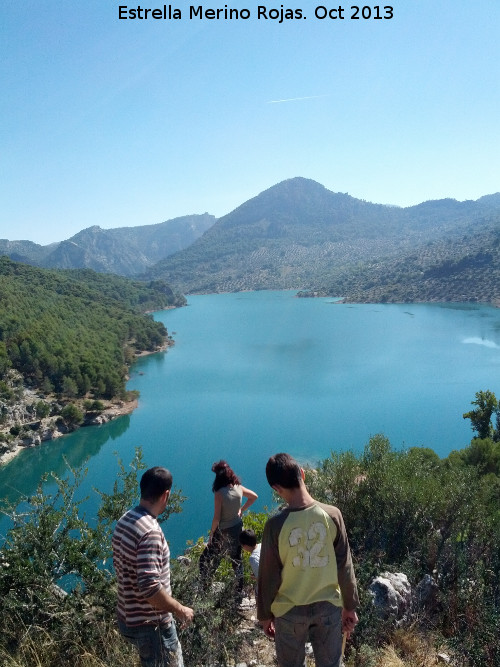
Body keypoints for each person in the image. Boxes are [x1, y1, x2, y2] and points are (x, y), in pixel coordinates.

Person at [257, 453, 359, 667]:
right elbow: (345, 566)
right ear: (302, 474)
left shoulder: (275, 526)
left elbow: (268, 576)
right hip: (328, 608)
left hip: (289, 611)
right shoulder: (332, 515)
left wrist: (265, 615)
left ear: (276, 488)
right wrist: (349, 606)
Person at [112, 466, 194, 667]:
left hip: (127, 616)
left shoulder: (126, 519)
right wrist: (180, 609)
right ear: (166, 495)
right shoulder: (150, 532)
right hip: (150, 624)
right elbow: (150, 587)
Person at [199, 460, 258, 595]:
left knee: (206, 558)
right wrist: (241, 510)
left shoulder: (219, 493)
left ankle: (205, 586)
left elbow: (217, 518)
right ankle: (238, 589)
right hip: (237, 528)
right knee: (236, 559)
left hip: (223, 532)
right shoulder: (238, 487)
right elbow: (254, 496)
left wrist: (211, 535)